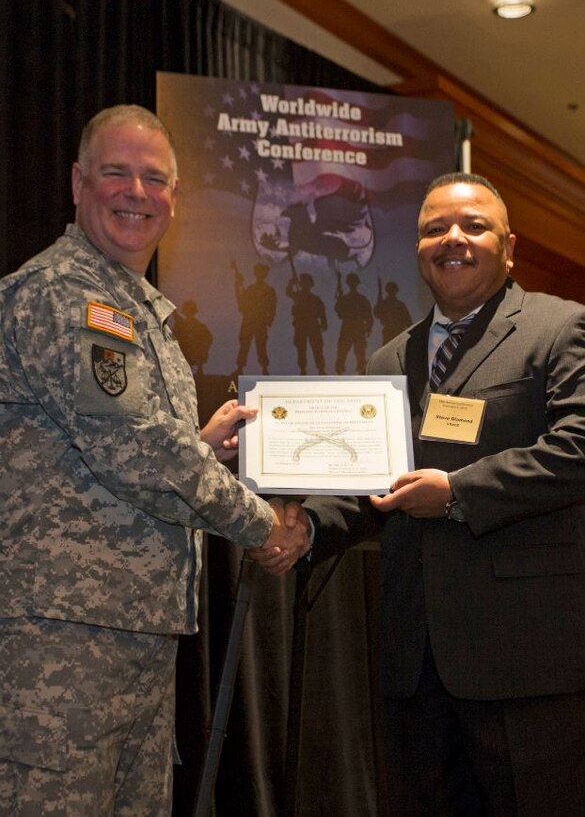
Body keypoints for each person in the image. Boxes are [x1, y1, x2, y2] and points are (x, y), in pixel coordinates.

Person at [0, 104, 309, 816]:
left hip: (129, 630)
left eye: (153, 177)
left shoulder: (136, 307)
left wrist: (198, 446)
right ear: (78, 183)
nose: (135, 192)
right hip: (60, 639)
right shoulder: (65, 293)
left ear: (174, 197)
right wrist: (262, 523)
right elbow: (135, 446)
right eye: (116, 173)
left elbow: (118, 445)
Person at [265, 173, 585, 815]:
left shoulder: (561, 328)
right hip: (415, 658)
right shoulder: (390, 359)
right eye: (434, 228)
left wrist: (458, 492)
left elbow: (578, 446)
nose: (452, 239)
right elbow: (371, 484)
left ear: (510, 245)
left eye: (473, 226)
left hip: (527, 661)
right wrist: (307, 529)